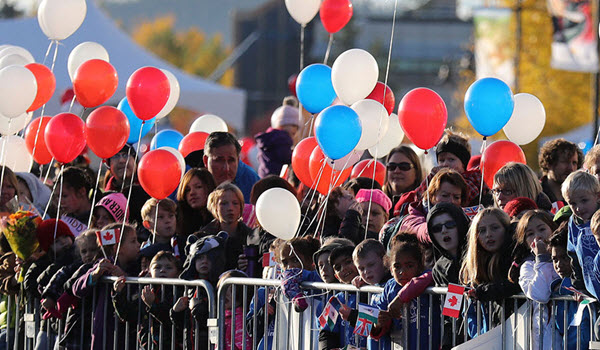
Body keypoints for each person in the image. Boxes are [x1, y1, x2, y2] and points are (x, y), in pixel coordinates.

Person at [71, 222, 141, 350]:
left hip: (129, 332)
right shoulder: (102, 265)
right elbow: (76, 288)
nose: (138, 245)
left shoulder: (138, 266)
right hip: (105, 331)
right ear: (117, 247)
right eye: (133, 241)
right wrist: (95, 274)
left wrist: (124, 276)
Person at [370, 233, 438, 350]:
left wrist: (400, 298)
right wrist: (378, 323)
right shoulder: (390, 287)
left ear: (420, 266)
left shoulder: (428, 281)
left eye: (409, 266)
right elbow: (377, 325)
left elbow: (431, 275)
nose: (402, 272)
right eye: (397, 266)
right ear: (391, 269)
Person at [459, 208, 520, 338]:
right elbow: (462, 313)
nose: (488, 234)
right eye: (482, 230)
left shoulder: (515, 259)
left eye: (495, 228)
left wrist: (488, 291)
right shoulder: (471, 267)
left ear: (506, 230)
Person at [508, 210, 559, 349]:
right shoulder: (527, 266)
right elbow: (540, 294)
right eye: (530, 234)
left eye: (542, 229)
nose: (537, 236)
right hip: (545, 339)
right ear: (525, 242)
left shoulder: (565, 260)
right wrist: (542, 258)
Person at [113, 251, 182, 349]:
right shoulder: (145, 291)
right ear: (150, 272)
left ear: (177, 273)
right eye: (157, 267)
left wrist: (153, 305)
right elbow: (127, 315)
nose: (162, 270)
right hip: (146, 345)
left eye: (168, 267)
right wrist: (118, 294)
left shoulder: (178, 292)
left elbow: (170, 320)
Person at [201, 183, 259, 274]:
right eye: (224, 204)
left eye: (235, 203)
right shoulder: (204, 236)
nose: (230, 208)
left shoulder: (252, 237)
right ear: (215, 207)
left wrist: (243, 267)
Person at [549, 222, 591, 349]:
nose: (559, 264)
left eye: (565, 258)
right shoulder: (558, 290)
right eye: (554, 259)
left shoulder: (587, 285)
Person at [399, 168, 467, 244]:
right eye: (445, 195)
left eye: (456, 197)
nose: (451, 201)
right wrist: (435, 231)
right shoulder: (413, 218)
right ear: (431, 196)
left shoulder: (465, 216)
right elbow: (420, 230)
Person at [318, 245, 367, 349]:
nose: (344, 269)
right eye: (338, 267)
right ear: (337, 276)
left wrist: (352, 316)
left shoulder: (373, 293)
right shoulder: (336, 300)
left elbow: (376, 326)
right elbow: (326, 333)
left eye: (348, 262)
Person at [563, 170, 600, 298]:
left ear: (597, 196)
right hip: (592, 288)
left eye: (584, 201)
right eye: (573, 203)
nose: (578, 208)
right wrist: (579, 286)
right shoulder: (573, 223)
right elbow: (573, 256)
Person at [203, 132, 260, 204]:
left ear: (238, 160)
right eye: (219, 160)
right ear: (205, 160)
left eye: (231, 160)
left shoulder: (252, 182)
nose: (226, 168)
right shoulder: (192, 184)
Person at [103, 145, 151, 227]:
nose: (121, 160)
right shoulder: (103, 199)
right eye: (115, 156)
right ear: (109, 165)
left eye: (126, 155)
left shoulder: (150, 189)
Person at [255, 96, 301, 178]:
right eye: (293, 125)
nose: (295, 130)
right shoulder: (283, 138)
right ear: (283, 125)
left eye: (297, 127)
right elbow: (285, 157)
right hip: (277, 175)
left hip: (264, 174)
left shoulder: (268, 137)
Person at [539, 138, 583, 208]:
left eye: (574, 163)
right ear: (549, 163)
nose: (571, 168)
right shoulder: (536, 193)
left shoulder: (581, 194)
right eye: (565, 162)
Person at [176, 168, 217, 238]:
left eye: (198, 187)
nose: (192, 193)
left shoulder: (221, 221)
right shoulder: (177, 223)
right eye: (187, 190)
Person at [218, 270, 252, 350]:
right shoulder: (223, 316)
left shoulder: (240, 320)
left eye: (231, 289)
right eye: (222, 289)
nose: (225, 294)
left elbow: (245, 346)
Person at [382, 146, 423, 211]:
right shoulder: (376, 202)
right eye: (392, 166)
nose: (397, 171)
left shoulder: (423, 205)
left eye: (404, 166)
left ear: (416, 173)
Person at [58, 166, 93, 236]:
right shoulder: (63, 220)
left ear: (81, 192)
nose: (60, 202)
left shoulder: (100, 217)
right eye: (58, 196)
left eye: (64, 196)